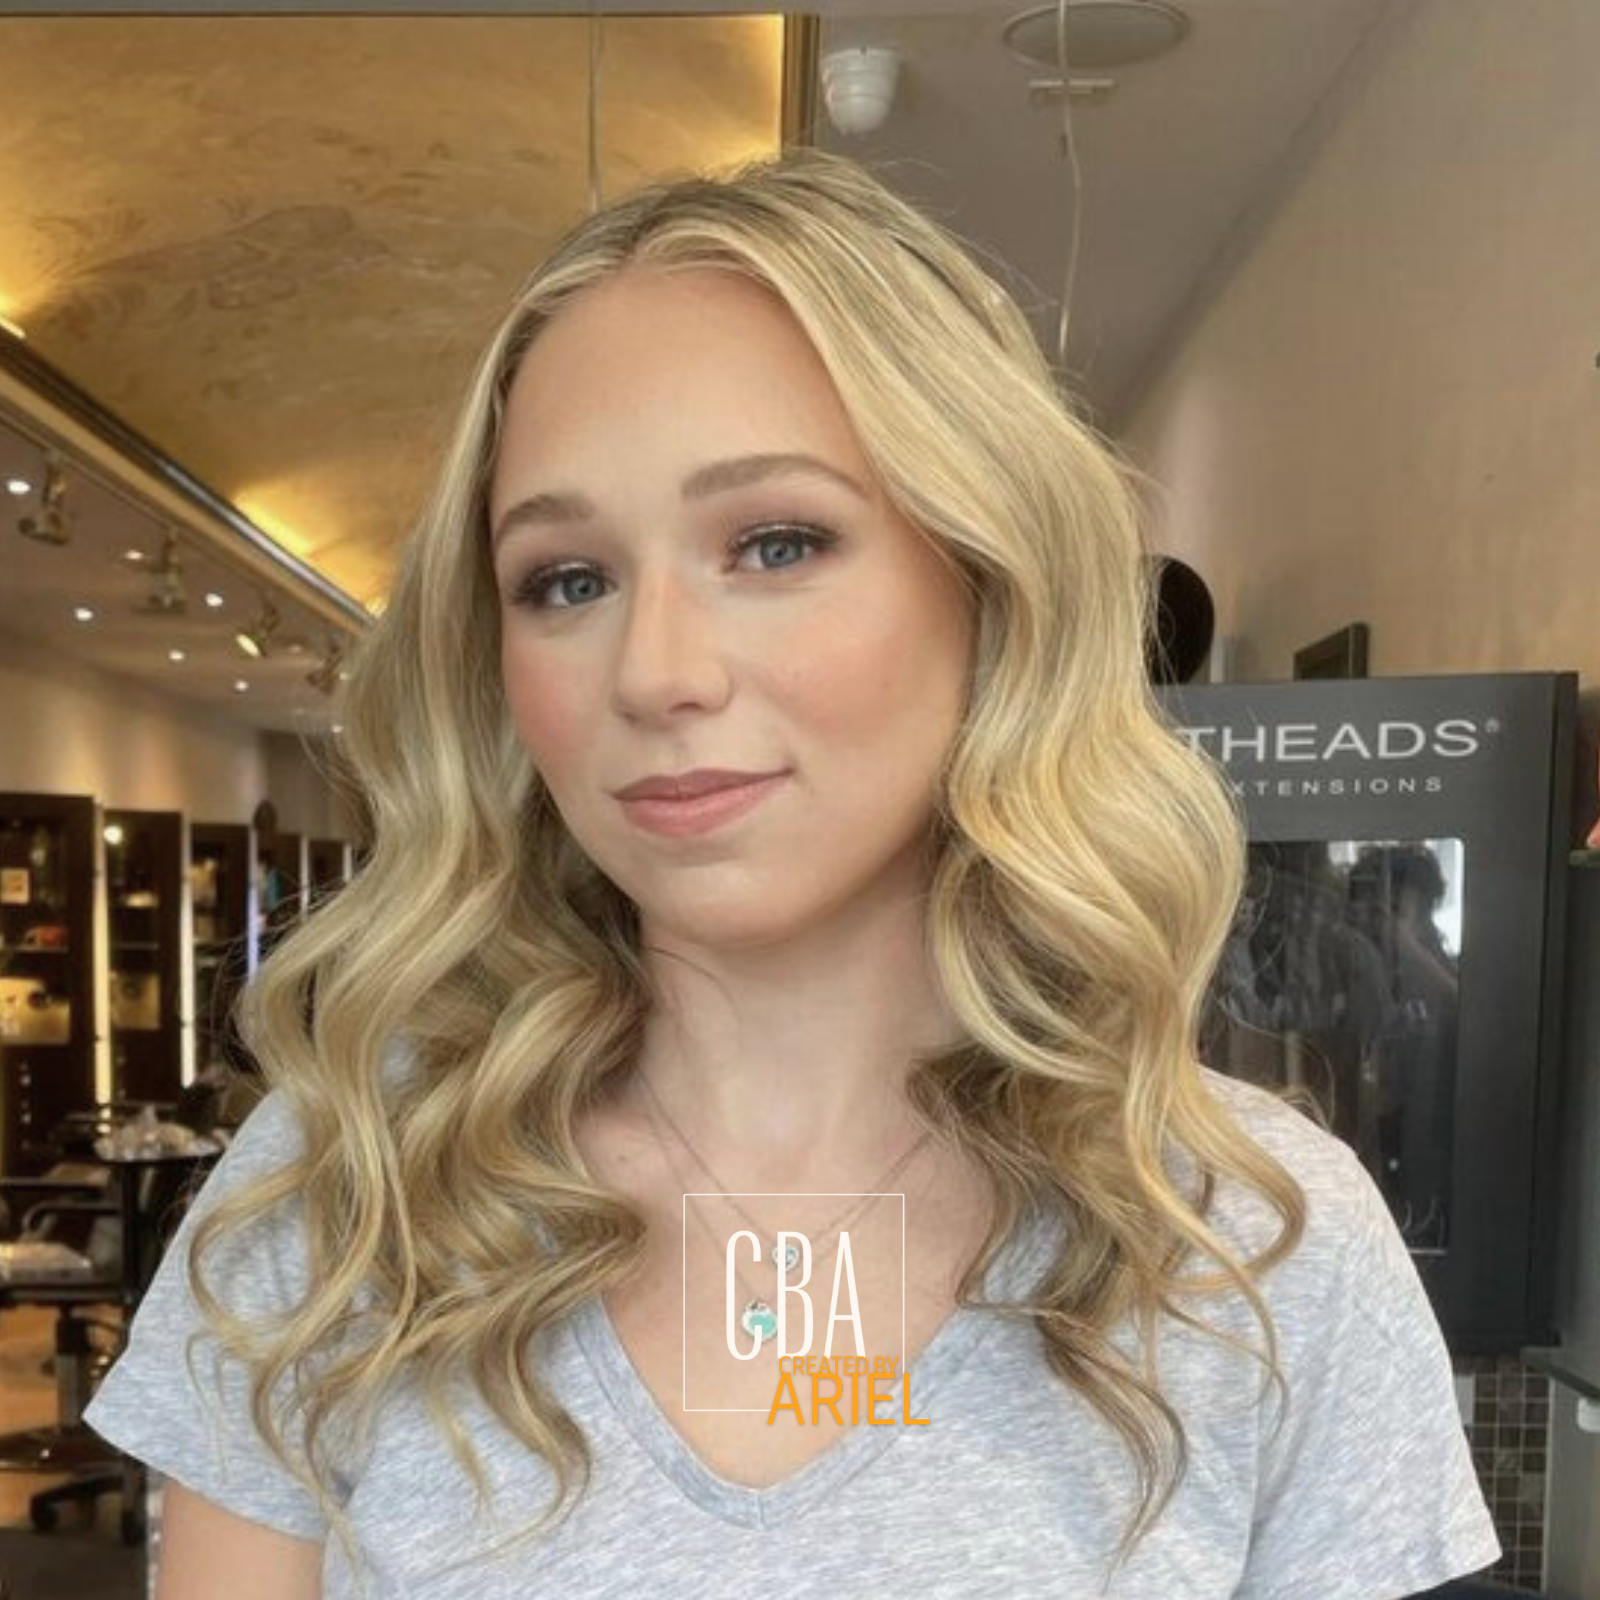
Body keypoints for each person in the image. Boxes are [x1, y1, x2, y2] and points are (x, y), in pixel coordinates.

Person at [83, 148, 1500, 1600]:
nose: (657, 672)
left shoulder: (1261, 1246)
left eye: (775, 543)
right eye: (567, 579)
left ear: (988, 583)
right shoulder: (347, 1195)